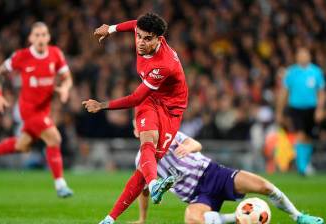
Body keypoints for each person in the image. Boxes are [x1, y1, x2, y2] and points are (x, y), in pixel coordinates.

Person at [83, 12, 188, 223]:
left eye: (147, 38)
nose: (140, 42)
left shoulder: (164, 64)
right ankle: (154, 185)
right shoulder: (142, 33)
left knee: (143, 169)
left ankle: (110, 218)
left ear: (159, 39)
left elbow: (134, 98)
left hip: (171, 109)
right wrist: (111, 28)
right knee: (147, 139)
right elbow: (134, 24)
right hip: (151, 99)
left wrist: (101, 105)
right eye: (138, 36)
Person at [132, 131, 324, 224]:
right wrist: (142, 218)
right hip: (198, 196)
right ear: (136, 133)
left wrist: (190, 147)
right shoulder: (141, 160)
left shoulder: (170, 135)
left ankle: (299, 217)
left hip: (214, 174)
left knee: (264, 186)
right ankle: (239, 218)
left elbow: (195, 144)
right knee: (191, 218)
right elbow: (145, 190)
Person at [0, 22, 74, 198]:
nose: (40, 38)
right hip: (28, 109)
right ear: (30, 38)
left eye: (44, 34)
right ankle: (60, 185)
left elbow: (67, 78)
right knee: (54, 138)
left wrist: (65, 88)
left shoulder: (56, 54)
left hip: (45, 109)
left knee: (23, 145)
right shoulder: (22, 56)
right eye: (36, 35)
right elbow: (0, 72)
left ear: (48, 37)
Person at [276, 47, 325, 176]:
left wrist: (320, 109)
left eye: (305, 55)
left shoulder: (316, 72)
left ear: (309, 56)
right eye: (300, 55)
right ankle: (302, 167)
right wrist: (280, 112)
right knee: (300, 134)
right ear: (297, 57)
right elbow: (284, 93)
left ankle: (306, 163)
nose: (303, 57)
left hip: (311, 109)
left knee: (308, 137)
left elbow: (321, 92)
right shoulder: (291, 72)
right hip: (296, 108)